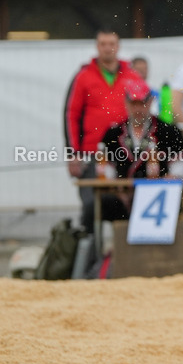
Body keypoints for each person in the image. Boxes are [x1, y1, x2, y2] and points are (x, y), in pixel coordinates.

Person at [64, 27, 143, 231]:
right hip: (92, 155)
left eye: (112, 44)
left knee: (130, 206)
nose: (108, 49)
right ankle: (90, 257)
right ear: (97, 47)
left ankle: (127, 255)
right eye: (103, 44)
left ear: (118, 46)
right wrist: (73, 154)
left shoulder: (132, 76)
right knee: (92, 206)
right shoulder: (83, 76)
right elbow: (71, 115)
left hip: (125, 154)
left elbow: (143, 113)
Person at [98, 81, 183, 222]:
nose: (138, 109)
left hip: (159, 197)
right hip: (122, 199)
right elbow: (105, 172)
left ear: (151, 101)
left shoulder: (168, 131)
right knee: (102, 203)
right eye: (134, 104)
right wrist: (116, 189)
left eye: (143, 103)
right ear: (126, 103)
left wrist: (166, 180)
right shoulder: (113, 134)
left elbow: (180, 168)